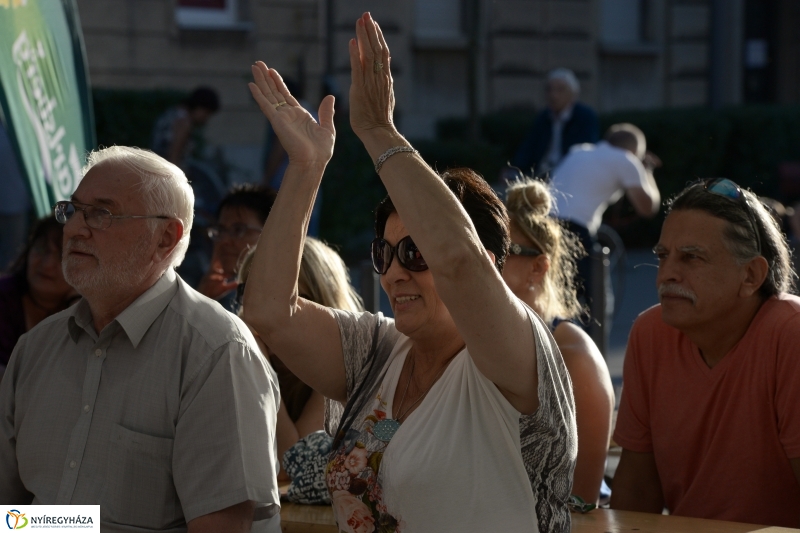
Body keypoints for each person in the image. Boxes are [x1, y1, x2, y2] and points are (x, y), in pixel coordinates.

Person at [243, 12, 576, 532]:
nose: (395, 273)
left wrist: (378, 132)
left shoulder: (515, 352)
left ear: (493, 264)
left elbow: (459, 261)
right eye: (385, 253)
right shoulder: (377, 350)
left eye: (417, 253)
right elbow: (267, 311)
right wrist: (307, 168)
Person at [0, 146, 281, 533]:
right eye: (73, 209)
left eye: (101, 213)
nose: (75, 228)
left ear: (166, 237)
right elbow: (14, 517)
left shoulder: (216, 351)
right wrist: (79, 524)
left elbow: (222, 526)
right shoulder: (37, 348)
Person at [610, 179, 800, 526]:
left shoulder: (791, 334)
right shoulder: (650, 333)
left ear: (751, 275)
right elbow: (637, 491)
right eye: (663, 256)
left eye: (691, 257)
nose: (666, 275)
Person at [502, 178, 614, 505]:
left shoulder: (574, 356)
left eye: (503, 251)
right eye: (482, 249)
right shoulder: (466, 337)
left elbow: (581, 501)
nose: (486, 262)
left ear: (538, 267)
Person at [551, 123, 661, 331]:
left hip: (544, 226)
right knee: (597, 301)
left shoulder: (579, 151)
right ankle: (589, 355)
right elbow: (648, 207)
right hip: (574, 230)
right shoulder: (626, 159)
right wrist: (647, 170)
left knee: (557, 296)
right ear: (634, 150)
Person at [0, 216, 77, 375]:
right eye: (41, 248)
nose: (47, 264)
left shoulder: (90, 312)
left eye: (62, 256)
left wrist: (76, 305)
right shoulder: (4, 297)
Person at [197, 184, 276, 311]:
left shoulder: (293, 302)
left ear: (272, 235)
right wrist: (201, 300)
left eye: (239, 230)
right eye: (221, 231)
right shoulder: (217, 299)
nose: (224, 241)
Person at [511, 68, 599, 176]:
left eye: (560, 90)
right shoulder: (543, 117)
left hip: (568, 174)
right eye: (549, 89)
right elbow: (528, 148)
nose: (553, 95)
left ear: (573, 94)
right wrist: (514, 168)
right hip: (541, 172)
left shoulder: (584, 116)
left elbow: (586, 150)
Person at [151, 86, 221, 168]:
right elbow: (174, 154)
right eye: (207, 113)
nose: (206, 118)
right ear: (199, 107)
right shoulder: (184, 122)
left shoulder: (174, 113)